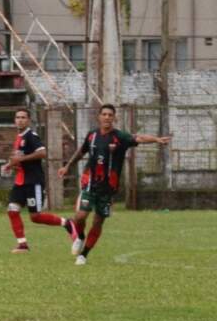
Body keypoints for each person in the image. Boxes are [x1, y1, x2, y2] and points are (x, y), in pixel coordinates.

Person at [58, 104, 171, 265]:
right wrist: (67, 166)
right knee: (81, 216)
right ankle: (80, 237)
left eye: (110, 115)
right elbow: (81, 152)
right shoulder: (92, 135)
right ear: (99, 116)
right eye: (104, 114)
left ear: (114, 118)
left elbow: (138, 138)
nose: (107, 117)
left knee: (98, 221)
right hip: (90, 182)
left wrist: (156, 139)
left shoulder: (120, 137)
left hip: (108, 187)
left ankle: (83, 255)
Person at [2, 108, 75, 253]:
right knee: (12, 210)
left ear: (28, 120)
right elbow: (19, 159)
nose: (20, 120)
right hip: (20, 181)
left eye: (23, 117)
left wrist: (20, 159)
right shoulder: (19, 137)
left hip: (32, 181)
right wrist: (10, 165)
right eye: (17, 117)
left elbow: (42, 153)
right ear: (14, 120)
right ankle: (23, 244)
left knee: (35, 216)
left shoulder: (31, 135)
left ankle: (67, 223)